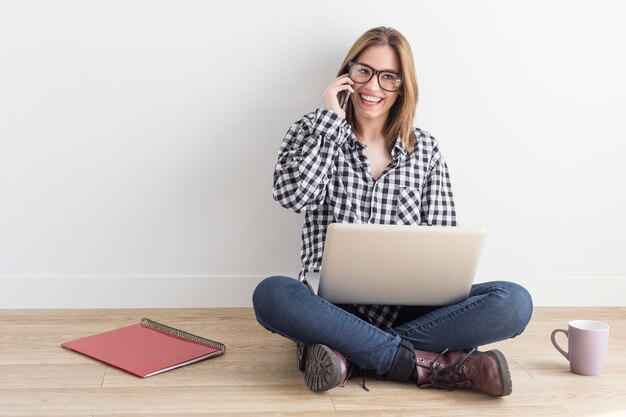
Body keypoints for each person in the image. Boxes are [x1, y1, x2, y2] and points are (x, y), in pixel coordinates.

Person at [252, 26, 532, 397]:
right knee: (273, 295)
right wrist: (332, 122)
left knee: (513, 302)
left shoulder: (425, 149)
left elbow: (443, 244)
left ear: (403, 86)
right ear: (346, 73)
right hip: (335, 308)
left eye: (388, 77)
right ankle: (432, 363)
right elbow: (294, 197)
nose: (372, 87)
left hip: (411, 308)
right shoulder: (313, 129)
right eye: (363, 71)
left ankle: (352, 355)